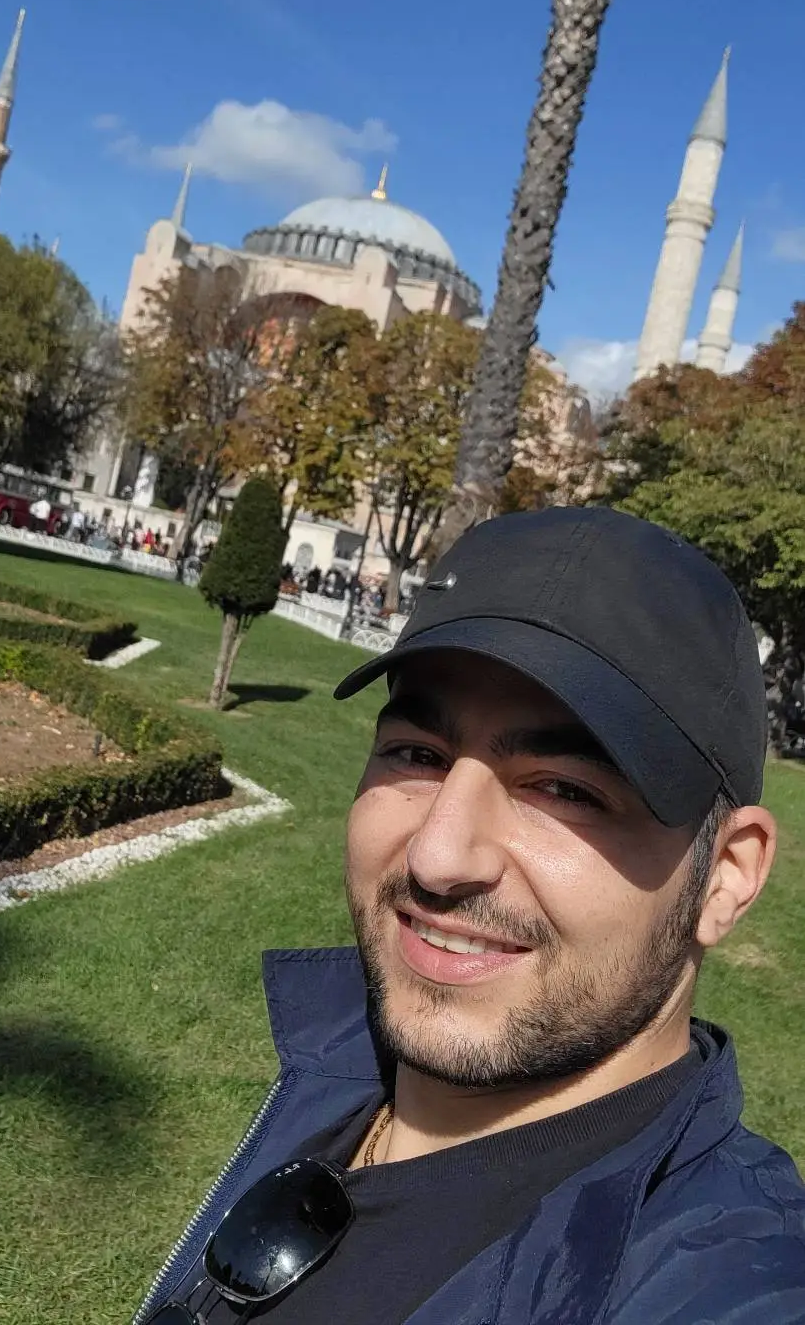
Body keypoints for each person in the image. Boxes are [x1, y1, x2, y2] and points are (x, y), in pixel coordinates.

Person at [135, 509, 805, 1325]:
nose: (437, 857)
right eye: (418, 754)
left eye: (566, 789)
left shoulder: (725, 1278)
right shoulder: (347, 1065)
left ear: (725, 877)